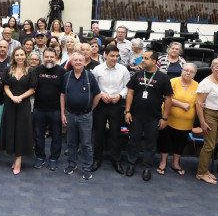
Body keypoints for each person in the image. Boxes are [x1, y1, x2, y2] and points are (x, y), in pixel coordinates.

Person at [124, 50, 173, 181]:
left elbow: (168, 99)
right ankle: (131, 164)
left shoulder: (163, 78)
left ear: (154, 61)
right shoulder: (137, 75)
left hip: (154, 117)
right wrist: (127, 111)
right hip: (136, 116)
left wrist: (164, 118)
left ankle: (147, 167)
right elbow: (130, 93)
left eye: (146, 58)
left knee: (151, 144)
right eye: (143, 58)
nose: (142, 60)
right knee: (133, 142)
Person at [61, 52, 101, 181]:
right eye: (75, 60)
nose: (78, 62)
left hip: (85, 116)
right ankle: (72, 165)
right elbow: (62, 95)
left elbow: (98, 95)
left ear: (84, 62)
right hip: (70, 115)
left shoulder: (90, 76)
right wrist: (62, 113)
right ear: (71, 62)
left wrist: (90, 109)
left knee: (86, 144)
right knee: (71, 142)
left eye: (80, 60)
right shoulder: (67, 76)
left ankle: (86, 168)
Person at [194, 57, 218, 184]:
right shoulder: (205, 83)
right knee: (209, 145)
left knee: (213, 144)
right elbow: (198, 104)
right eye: (217, 67)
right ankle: (201, 173)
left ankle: (205, 170)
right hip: (210, 115)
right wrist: (202, 122)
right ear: (212, 68)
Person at [92, 45, 129, 173]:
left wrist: (120, 95)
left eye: (117, 56)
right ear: (105, 55)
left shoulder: (123, 70)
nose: (115, 58)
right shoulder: (97, 69)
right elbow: (93, 85)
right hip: (101, 104)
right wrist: (102, 93)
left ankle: (116, 160)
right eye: (112, 55)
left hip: (116, 104)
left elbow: (127, 87)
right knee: (99, 133)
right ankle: (97, 159)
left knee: (115, 134)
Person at [0, 47, 36, 175]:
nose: (19, 57)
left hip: (23, 104)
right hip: (10, 103)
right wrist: (12, 97)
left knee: (21, 131)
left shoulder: (30, 71)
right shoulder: (8, 69)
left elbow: (32, 89)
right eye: (17, 55)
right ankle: (15, 157)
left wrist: (20, 97)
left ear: (25, 56)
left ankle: (18, 160)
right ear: (13, 57)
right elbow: (6, 87)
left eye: (22, 55)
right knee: (12, 130)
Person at [157, 63, 198, 176]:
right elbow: (166, 97)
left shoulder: (197, 86)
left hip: (186, 122)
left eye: (191, 71)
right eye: (186, 70)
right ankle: (163, 162)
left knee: (180, 143)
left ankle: (176, 164)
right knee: (165, 141)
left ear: (194, 74)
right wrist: (182, 105)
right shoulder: (173, 81)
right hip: (169, 118)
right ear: (181, 71)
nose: (188, 73)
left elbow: (198, 103)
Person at [32, 47, 65, 171]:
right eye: (47, 57)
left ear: (56, 57)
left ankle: (53, 158)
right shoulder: (37, 70)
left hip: (56, 110)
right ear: (43, 57)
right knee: (39, 135)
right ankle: (40, 156)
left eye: (52, 57)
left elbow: (64, 92)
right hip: (39, 109)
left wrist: (63, 111)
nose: (49, 59)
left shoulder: (62, 71)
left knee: (56, 136)